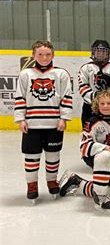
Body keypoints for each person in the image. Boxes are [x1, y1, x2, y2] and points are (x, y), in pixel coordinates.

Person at [14, 41, 72, 203]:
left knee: (53, 156)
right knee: (31, 156)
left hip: (54, 124)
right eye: (40, 54)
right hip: (32, 124)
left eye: (47, 54)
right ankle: (32, 185)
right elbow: (20, 97)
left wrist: (64, 118)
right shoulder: (26, 74)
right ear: (33, 55)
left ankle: (52, 181)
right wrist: (20, 119)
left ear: (53, 55)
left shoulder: (61, 74)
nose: (44, 57)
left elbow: (66, 97)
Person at [59, 91, 110, 213]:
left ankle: (76, 182)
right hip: (93, 156)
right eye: (102, 103)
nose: (106, 106)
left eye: (109, 103)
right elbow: (84, 145)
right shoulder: (91, 122)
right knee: (105, 156)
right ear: (97, 105)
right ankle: (100, 198)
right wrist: (105, 148)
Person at [78, 39, 110, 128]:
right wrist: (96, 96)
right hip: (89, 107)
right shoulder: (86, 68)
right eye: (98, 51)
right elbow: (82, 87)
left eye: (103, 51)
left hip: (108, 106)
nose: (100, 54)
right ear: (93, 52)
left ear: (108, 53)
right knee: (88, 134)